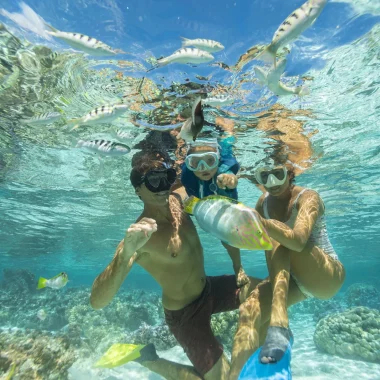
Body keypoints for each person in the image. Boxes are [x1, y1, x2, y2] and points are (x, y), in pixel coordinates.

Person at [90, 149, 303, 380]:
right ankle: (147, 357)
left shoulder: (178, 201)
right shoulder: (139, 238)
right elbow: (97, 302)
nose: (163, 186)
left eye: (168, 177)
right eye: (153, 181)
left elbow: (204, 179)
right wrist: (125, 255)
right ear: (138, 189)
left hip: (210, 289)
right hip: (184, 314)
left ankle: (260, 351)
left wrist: (229, 177)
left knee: (281, 290)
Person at [237, 159, 345, 367]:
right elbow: (261, 244)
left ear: (289, 172)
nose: (272, 181)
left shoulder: (309, 197)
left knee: (278, 233)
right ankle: (261, 366)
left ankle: (280, 322)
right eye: (264, 176)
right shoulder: (263, 203)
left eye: (278, 173)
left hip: (326, 275)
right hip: (294, 281)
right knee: (250, 309)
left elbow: (297, 241)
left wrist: (263, 223)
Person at [180, 139, 249, 287]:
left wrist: (230, 180)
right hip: (200, 203)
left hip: (224, 208)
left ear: (217, 160)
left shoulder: (223, 172)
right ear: (188, 163)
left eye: (209, 160)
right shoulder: (187, 175)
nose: (202, 167)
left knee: (228, 240)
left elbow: (231, 179)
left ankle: (238, 267)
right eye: (195, 162)